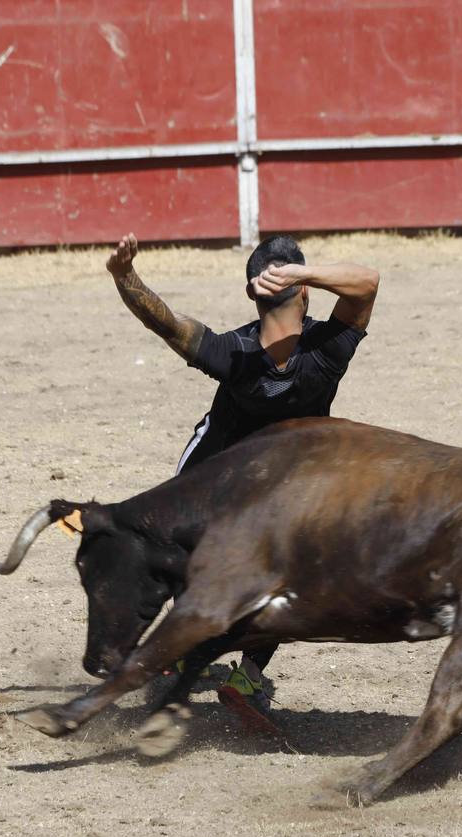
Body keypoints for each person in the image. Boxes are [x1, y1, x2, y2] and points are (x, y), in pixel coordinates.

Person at [106, 231, 379, 732]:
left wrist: (125, 276)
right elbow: (367, 282)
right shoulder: (328, 351)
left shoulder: (232, 354)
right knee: (288, 577)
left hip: (212, 480)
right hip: (280, 490)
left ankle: (159, 646)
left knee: (173, 554)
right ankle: (246, 675)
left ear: (251, 293)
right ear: (304, 294)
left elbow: (163, 321)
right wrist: (306, 272)